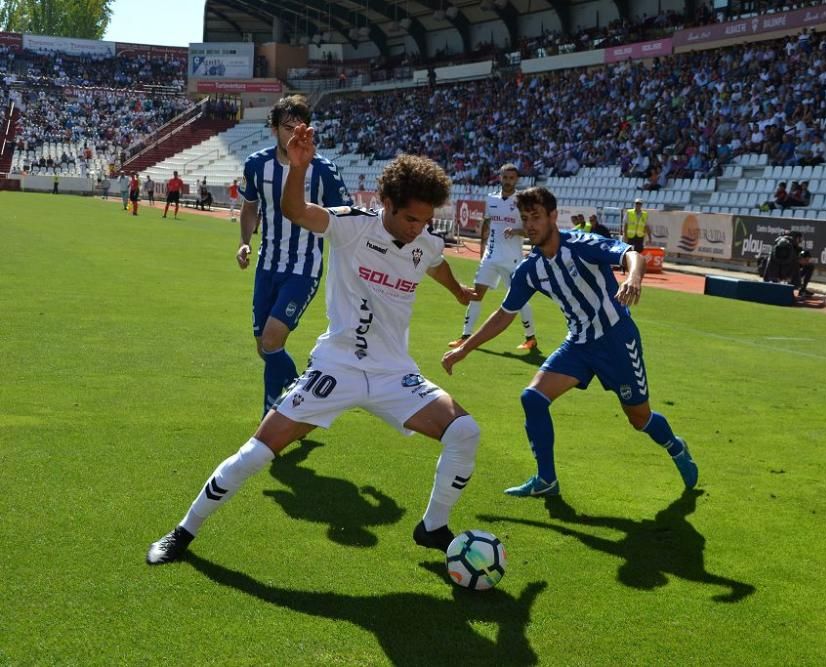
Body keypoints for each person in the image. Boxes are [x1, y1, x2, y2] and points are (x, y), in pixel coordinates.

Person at [146, 135, 483, 565]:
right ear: (387, 202)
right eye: (411, 218)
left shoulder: (425, 242)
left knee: (465, 431)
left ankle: (433, 527)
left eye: (424, 220)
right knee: (257, 452)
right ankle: (182, 533)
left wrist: (456, 291)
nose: (418, 227)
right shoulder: (353, 226)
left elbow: (435, 262)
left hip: (393, 373)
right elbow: (295, 211)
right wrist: (299, 168)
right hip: (337, 366)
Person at [441, 186, 697, 498]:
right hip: (578, 344)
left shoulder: (581, 244)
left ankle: (675, 446)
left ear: (552, 216)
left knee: (639, 418)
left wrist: (633, 278)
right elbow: (504, 314)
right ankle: (546, 480)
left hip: (616, 339)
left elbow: (632, 255)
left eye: (536, 217)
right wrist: (464, 348)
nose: (530, 225)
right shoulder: (530, 269)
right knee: (532, 398)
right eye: (525, 218)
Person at [237, 95, 352, 418]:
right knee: (264, 347)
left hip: (304, 268)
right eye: (287, 128)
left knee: (272, 341)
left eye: (299, 128)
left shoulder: (324, 170)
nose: (293, 135)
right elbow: (249, 208)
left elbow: (345, 216)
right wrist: (244, 242)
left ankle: (271, 419)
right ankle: (305, 389)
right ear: (274, 129)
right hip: (267, 265)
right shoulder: (257, 165)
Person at [448, 163, 537, 351]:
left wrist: (516, 231)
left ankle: (531, 337)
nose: (507, 181)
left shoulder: (523, 201)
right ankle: (465, 336)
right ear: (500, 178)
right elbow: (487, 225)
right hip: (490, 257)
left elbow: (532, 231)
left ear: (517, 180)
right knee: (475, 295)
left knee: (518, 299)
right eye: (505, 177)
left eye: (511, 178)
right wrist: (482, 249)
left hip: (512, 260)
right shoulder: (491, 199)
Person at [763, 231, 814, 297]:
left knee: (805, 266)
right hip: (784, 272)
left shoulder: (777, 243)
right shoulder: (792, 247)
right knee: (809, 266)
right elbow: (794, 262)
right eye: (799, 239)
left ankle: (798, 289)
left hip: (773, 272)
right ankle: (801, 290)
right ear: (796, 238)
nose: (800, 242)